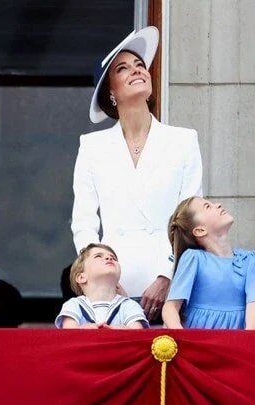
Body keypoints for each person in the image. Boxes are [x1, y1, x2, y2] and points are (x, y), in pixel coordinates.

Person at [71, 26, 203, 324]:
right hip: (112, 286)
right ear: (111, 92)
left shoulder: (183, 140)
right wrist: (100, 280)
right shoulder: (92, 147)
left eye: (140, 65)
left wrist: (166, 276)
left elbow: (189, 218)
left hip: (173, 285)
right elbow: (84, 222)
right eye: (123, 68)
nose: (137, 70)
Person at [161, 197, 255, 330]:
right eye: (207, 206)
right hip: (199, 339)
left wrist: (248, 339)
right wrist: (181, 336)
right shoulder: (194, 258)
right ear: (200, 230)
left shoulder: (251, 259)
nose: (218, 205)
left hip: (235, 341)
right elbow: (171, 307)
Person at [56, 243, 148, 329]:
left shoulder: (130, 305)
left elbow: (138, 335)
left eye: (114, 258)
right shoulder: (73, 305)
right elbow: (68, 334)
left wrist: (126, 331)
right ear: (81, 277)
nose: (109, 257)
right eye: (98, 256)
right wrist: (81, 330)